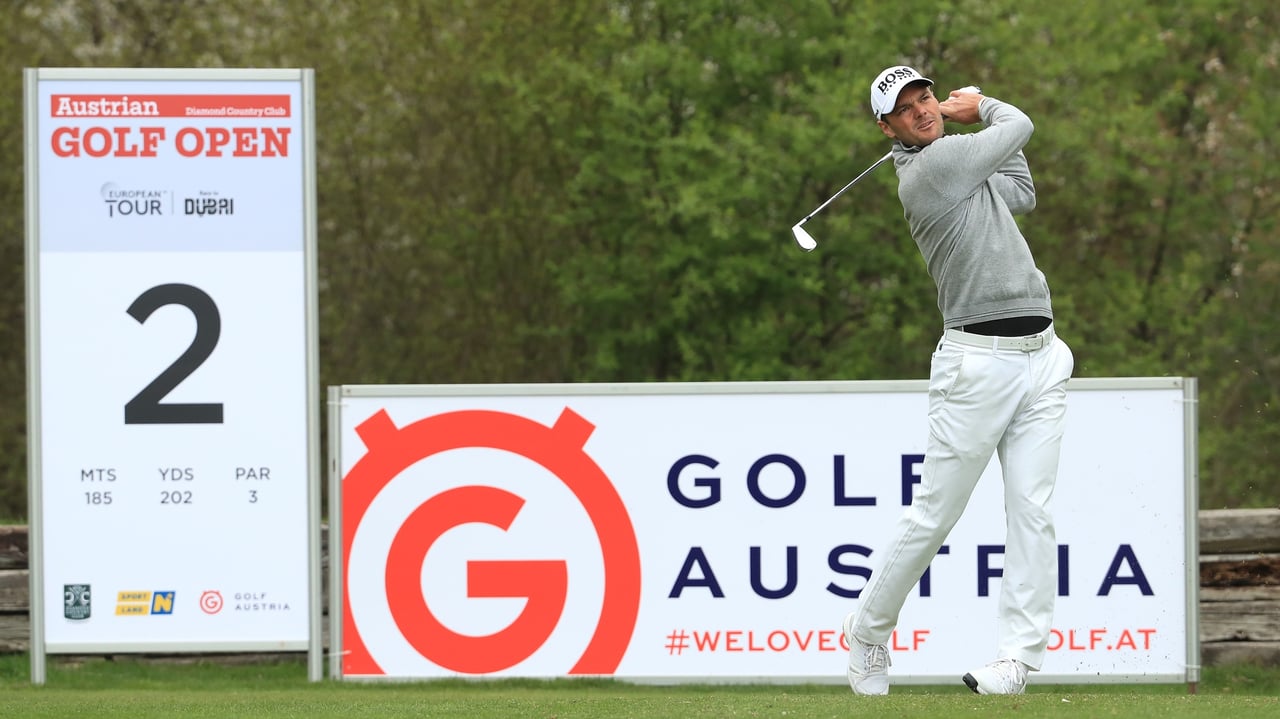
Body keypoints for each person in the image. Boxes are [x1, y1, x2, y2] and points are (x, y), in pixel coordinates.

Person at [841, 65, 1075, 696]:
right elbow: (1019, 125)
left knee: (1032, 510)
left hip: (1043, 354)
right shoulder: (928, 173)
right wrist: (982, 105)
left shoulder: (960, 162)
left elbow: (1019, 191)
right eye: (907, 107)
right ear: (888, 128)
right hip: (978, 362)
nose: (922, 109)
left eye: (926, 97)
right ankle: (866, 631)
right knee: (936, 514)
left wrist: (976, 124)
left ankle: (1017, 661)